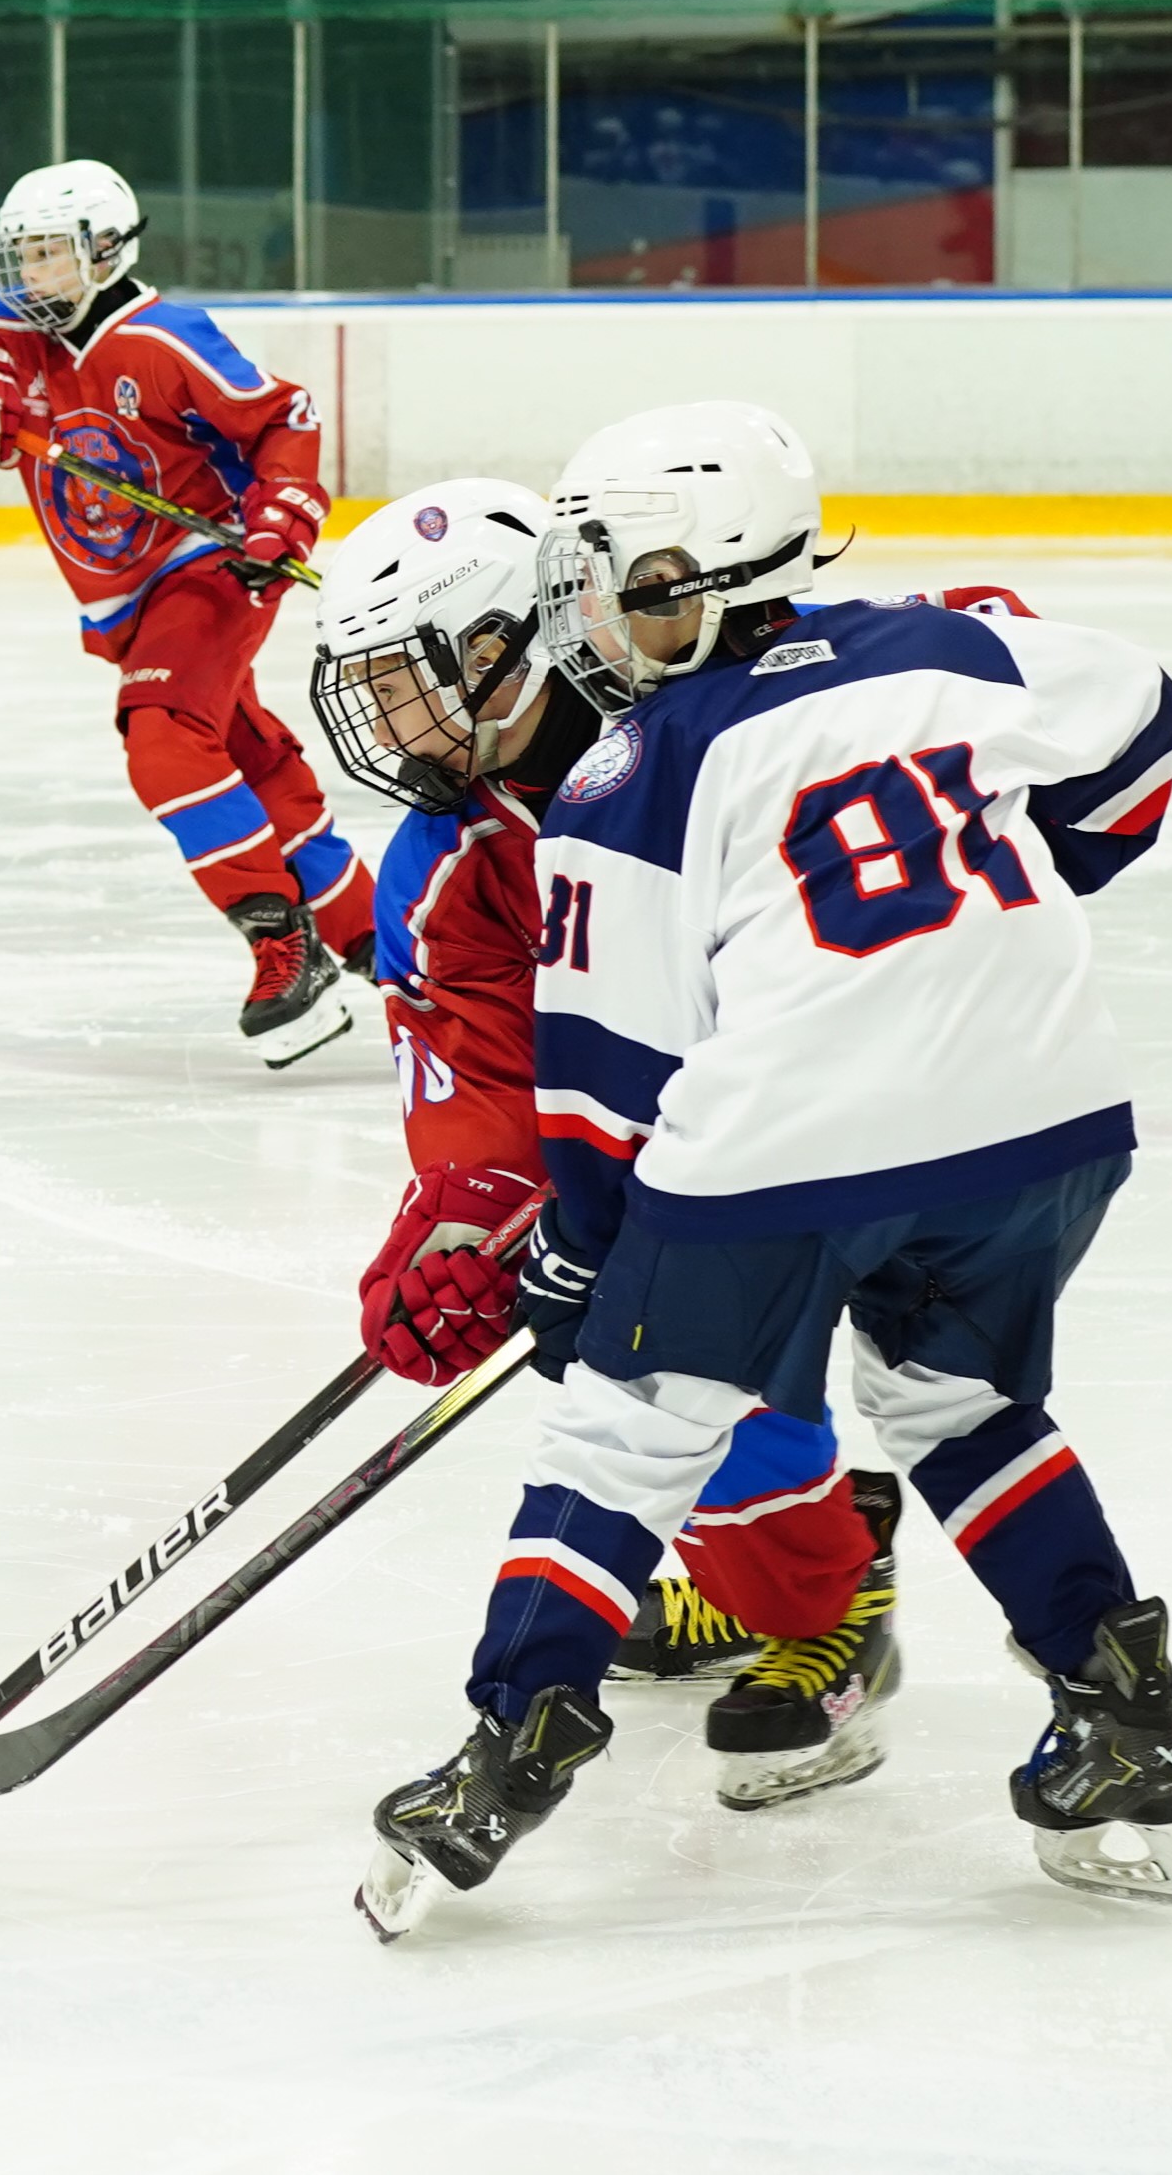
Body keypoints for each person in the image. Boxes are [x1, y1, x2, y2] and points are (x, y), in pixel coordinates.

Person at [358, 402, 1172, 1936]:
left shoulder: (636, 768)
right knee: (958, 1405)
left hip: (803, 1142)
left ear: (678, 575)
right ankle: (1124, 1720)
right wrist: (1050, 859)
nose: (581, 608)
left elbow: (613, 1082)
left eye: (599, 574)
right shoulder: (944, 646)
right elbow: (1141, 714)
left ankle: (510, 1751)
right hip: (1050, 1111)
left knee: (622, 1433)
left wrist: (576, 1258)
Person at [309, 476, 896, 1811]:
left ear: (502, 649)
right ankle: (770, 1569)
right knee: (611, 1359)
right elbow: (478, 1070)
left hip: (805, 1101)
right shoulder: (445, 859)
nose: (386, 726)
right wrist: (463, 1221)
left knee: (707, 1364)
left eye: (405, 685)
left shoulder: (689, 744)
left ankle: (829, 1601)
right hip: (650, 1131)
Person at [0, 158, 372, 1066]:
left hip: (209, 564)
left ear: (106, 250)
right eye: (19, 257)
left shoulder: (163, 339)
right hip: (126, 597)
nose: (29, 277)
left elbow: (281, 414)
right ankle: (389, 945)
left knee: (163, 732)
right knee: (245, 755)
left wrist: (281, 514)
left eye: (50, 255)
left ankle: (275, 934)